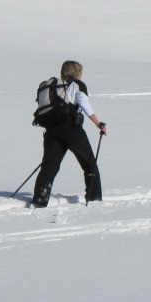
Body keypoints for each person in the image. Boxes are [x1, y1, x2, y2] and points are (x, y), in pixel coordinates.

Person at [31, 60, 107, 208]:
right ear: (76, 72)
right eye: (80, 71)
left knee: (49, 166)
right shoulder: (77, 85)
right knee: (89, 163)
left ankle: (39, 200)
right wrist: (98, 123)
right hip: (71, 128)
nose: (81, 74)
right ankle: (94, 199)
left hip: (52, 130)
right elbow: (84, 103)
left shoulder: (56, 88)